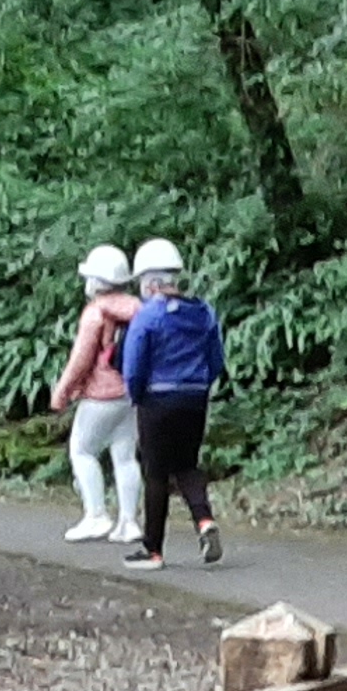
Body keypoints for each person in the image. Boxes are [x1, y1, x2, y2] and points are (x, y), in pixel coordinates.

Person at [115, 239, 227, 571]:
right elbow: (217, 359)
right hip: (195, 398)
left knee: (156, 472)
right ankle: (204, 521)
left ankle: (153, 550)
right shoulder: (203, 311)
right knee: (188, 465)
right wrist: (201, 384)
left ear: (149, 282)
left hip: (157, 399)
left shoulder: (147, 316)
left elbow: (133, 364)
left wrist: (137, 396)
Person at [51, 245, 148, 545]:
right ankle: (129, 522)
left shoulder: (95, 314)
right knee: (125, 456)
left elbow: (81, 359)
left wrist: (62, 390)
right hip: (131, 393)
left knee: (82, 450)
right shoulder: (140, 309)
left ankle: (96, 516)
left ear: (97, 281)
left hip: (100, 395)